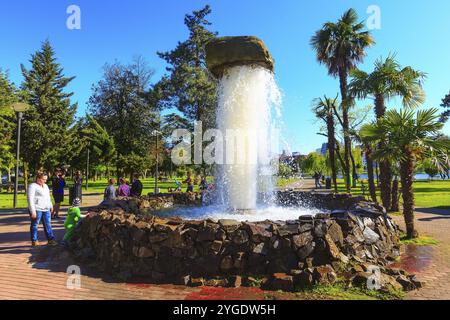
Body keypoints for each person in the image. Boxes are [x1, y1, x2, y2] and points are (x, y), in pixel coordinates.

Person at [27, 172, 57, 247]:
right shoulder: (32, 186)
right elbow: (30, 199)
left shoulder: (46, 186)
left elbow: (48, 197)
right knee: (35, 225)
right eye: (43, 179)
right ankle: (34, 240)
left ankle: (51, 240)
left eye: (46, 179)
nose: (45, 181)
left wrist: (51, 205)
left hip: (46, 209)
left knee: (48, 224)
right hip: (37, 209)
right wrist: (32, 211)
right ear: (38, 178)